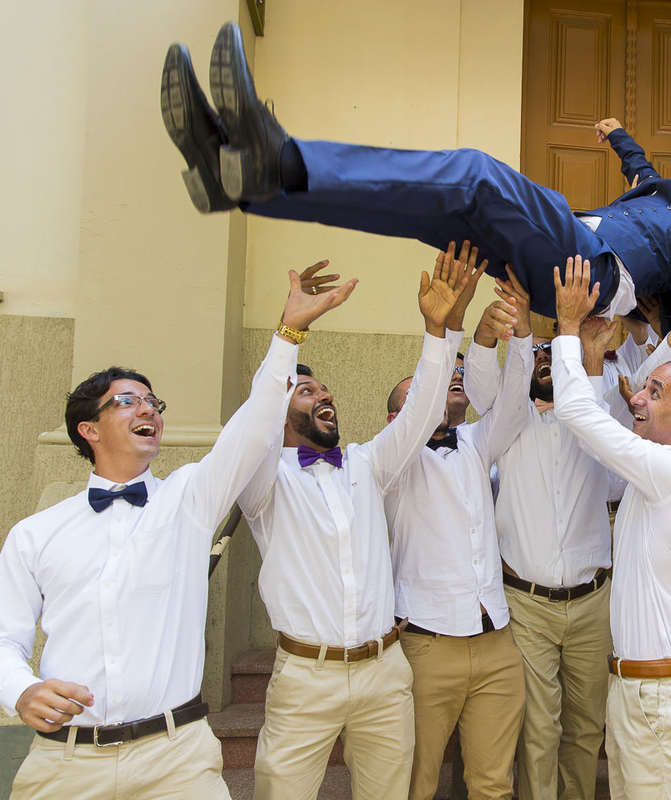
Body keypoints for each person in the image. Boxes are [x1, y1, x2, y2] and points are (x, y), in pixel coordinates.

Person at [160, 23, 671, 387]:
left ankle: (281, 157)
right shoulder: (659, 188)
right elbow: (639, 169)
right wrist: (618, 136)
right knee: (435, 212)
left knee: (479, 175)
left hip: (591, 270)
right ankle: (244, 185)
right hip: (553, 251)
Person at [0, 265, 355, 799]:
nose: (148, 408)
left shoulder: (188, 501)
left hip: (178, 761)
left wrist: (288, 335)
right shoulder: (35, 534)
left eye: (153, 402)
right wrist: (21, 690)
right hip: (66, 763)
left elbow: (252, 429)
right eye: (128, 401)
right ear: (89, 428)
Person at [233, 248, 476, 800]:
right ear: (279, 409)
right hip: (305, 676)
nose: (324, 394)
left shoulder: (367, 464)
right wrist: (290, 332)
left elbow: (422, 413)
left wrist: (437, 332)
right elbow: (255, 420)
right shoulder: (263, 481)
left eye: (325, 390)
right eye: (306, 390)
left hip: (385, 671)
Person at [551, 256, 671, 800]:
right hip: (637, 687)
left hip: (658, 694)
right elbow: (613, 427)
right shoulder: (659, 469)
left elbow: (578, 414)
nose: (636, 399)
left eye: (653, 394)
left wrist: (568, 327)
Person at [383, 271, 533, 800]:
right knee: (415, 782)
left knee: (494, 785)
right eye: (421, 392)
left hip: (496, 640)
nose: (452, 381)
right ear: (396, 416)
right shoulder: (391, 462)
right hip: (428, 643)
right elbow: (421, 409)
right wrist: (447, 328)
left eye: (456, 376)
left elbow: (513, 404)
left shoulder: (474, 442)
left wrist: (521, 332)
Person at [485, 291, 618, 800]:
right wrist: (519, 334)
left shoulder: (596, 427)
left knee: (586, 727)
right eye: (536, 352)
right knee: (538, 730)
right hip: (528, 604)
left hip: (592, 603)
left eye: (551, 351)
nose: (544, 357)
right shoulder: (505, 428)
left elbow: (602, 409)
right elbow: (485, 381)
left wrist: (590, 355)